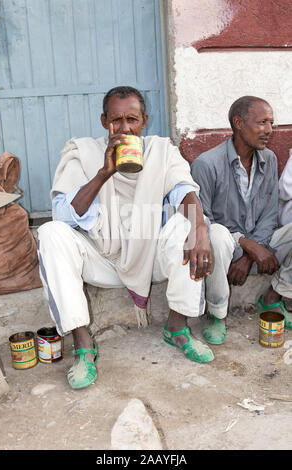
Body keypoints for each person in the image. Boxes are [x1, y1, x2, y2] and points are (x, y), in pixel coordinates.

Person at [37, 86, 214, 390]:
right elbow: (63, 214)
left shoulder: (160, 150)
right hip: (101, 256)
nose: (124, 128)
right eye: (116, 120)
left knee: (189, 225)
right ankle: (83, 345)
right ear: (103, 120)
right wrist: (103, 173)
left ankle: (177, 328)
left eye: (131, 119)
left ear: (144, 121)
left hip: (149, 254)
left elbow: (183, 189)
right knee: (50, 233)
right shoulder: (82, 153)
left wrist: (200, 230)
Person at [191, 96, 292, 346]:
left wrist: (250, 254)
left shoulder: (267, 159)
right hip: (223, 248)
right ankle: (216, 315)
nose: (269, 130)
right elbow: (204, 222)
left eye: (271, 123)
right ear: (238, 123)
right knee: (216, 236)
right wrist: (245, 244)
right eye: (262, 123)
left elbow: (269, 214)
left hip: (260, 245)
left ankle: (274, 295)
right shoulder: (206, 163)